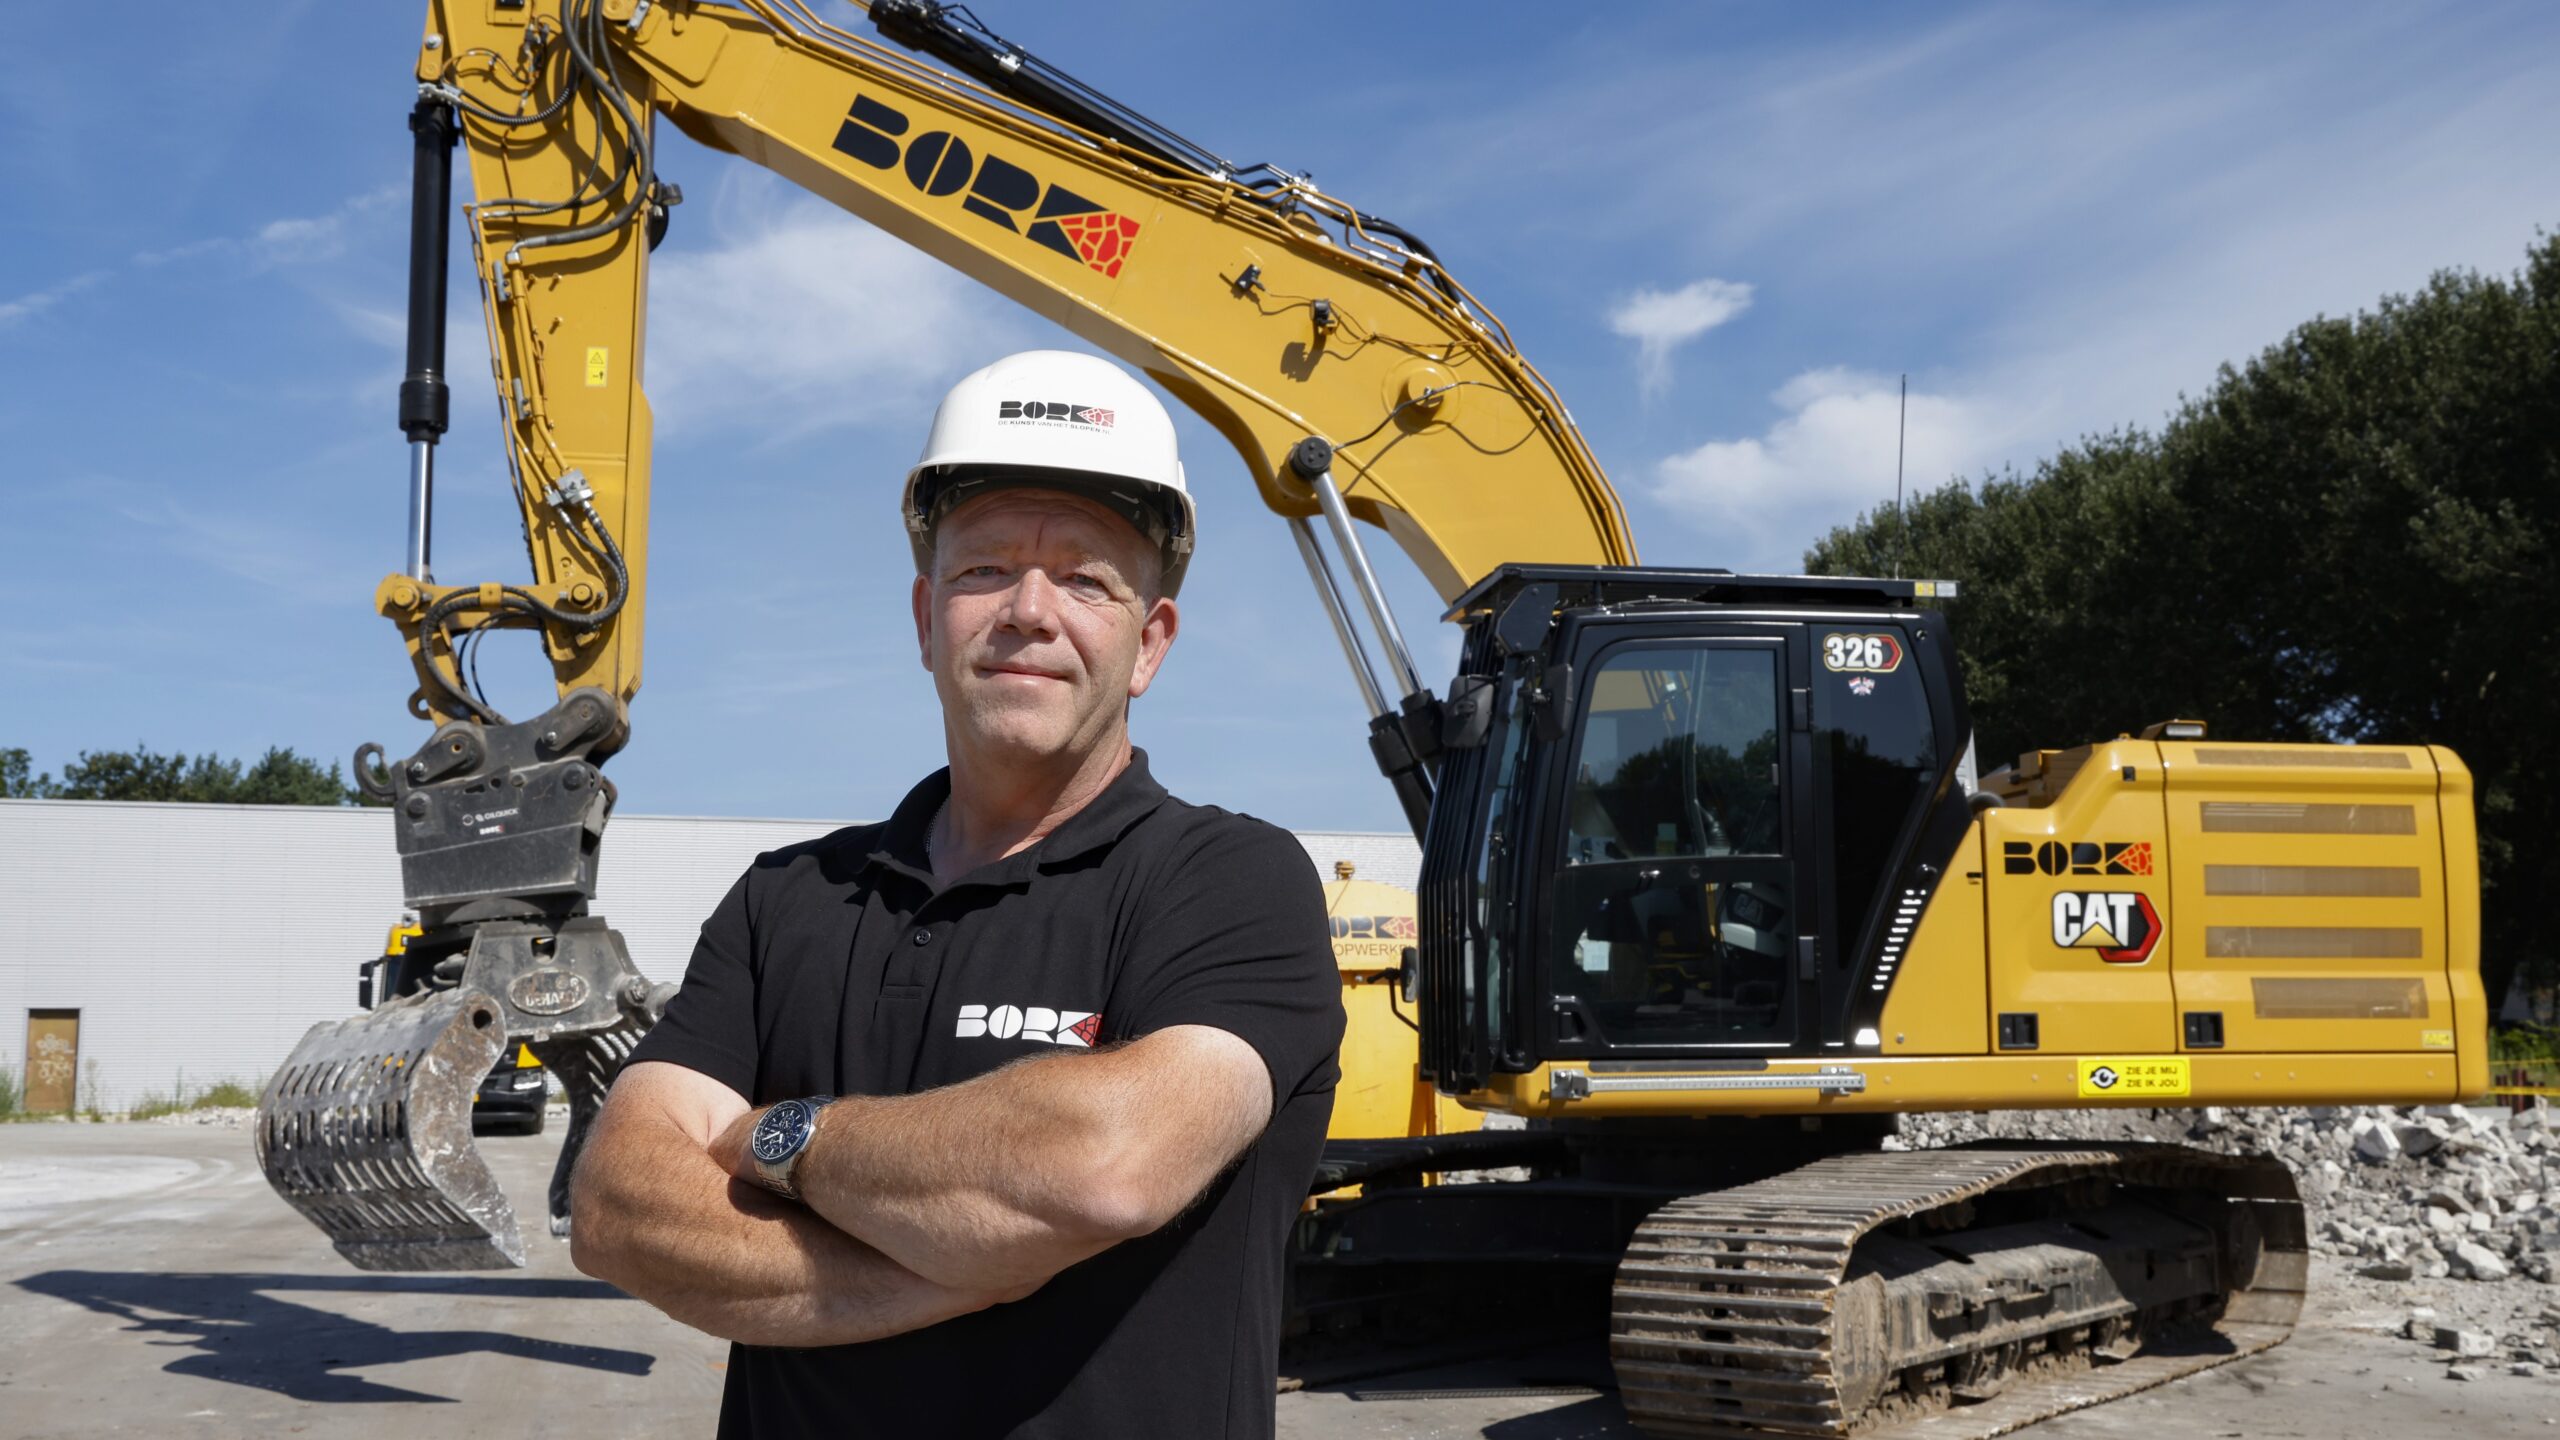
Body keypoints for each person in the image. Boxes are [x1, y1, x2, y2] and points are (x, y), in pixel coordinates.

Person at [569, 350, 1345, 1438]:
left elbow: (1101, 1168)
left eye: (1086, 579)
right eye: (984, 571)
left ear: (1147, 645)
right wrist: (957, 1269)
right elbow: (618, 1209)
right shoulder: (788, 897)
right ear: (927, 614)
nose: (1029, 611)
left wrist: (775, 1139)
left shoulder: (1228, 881)